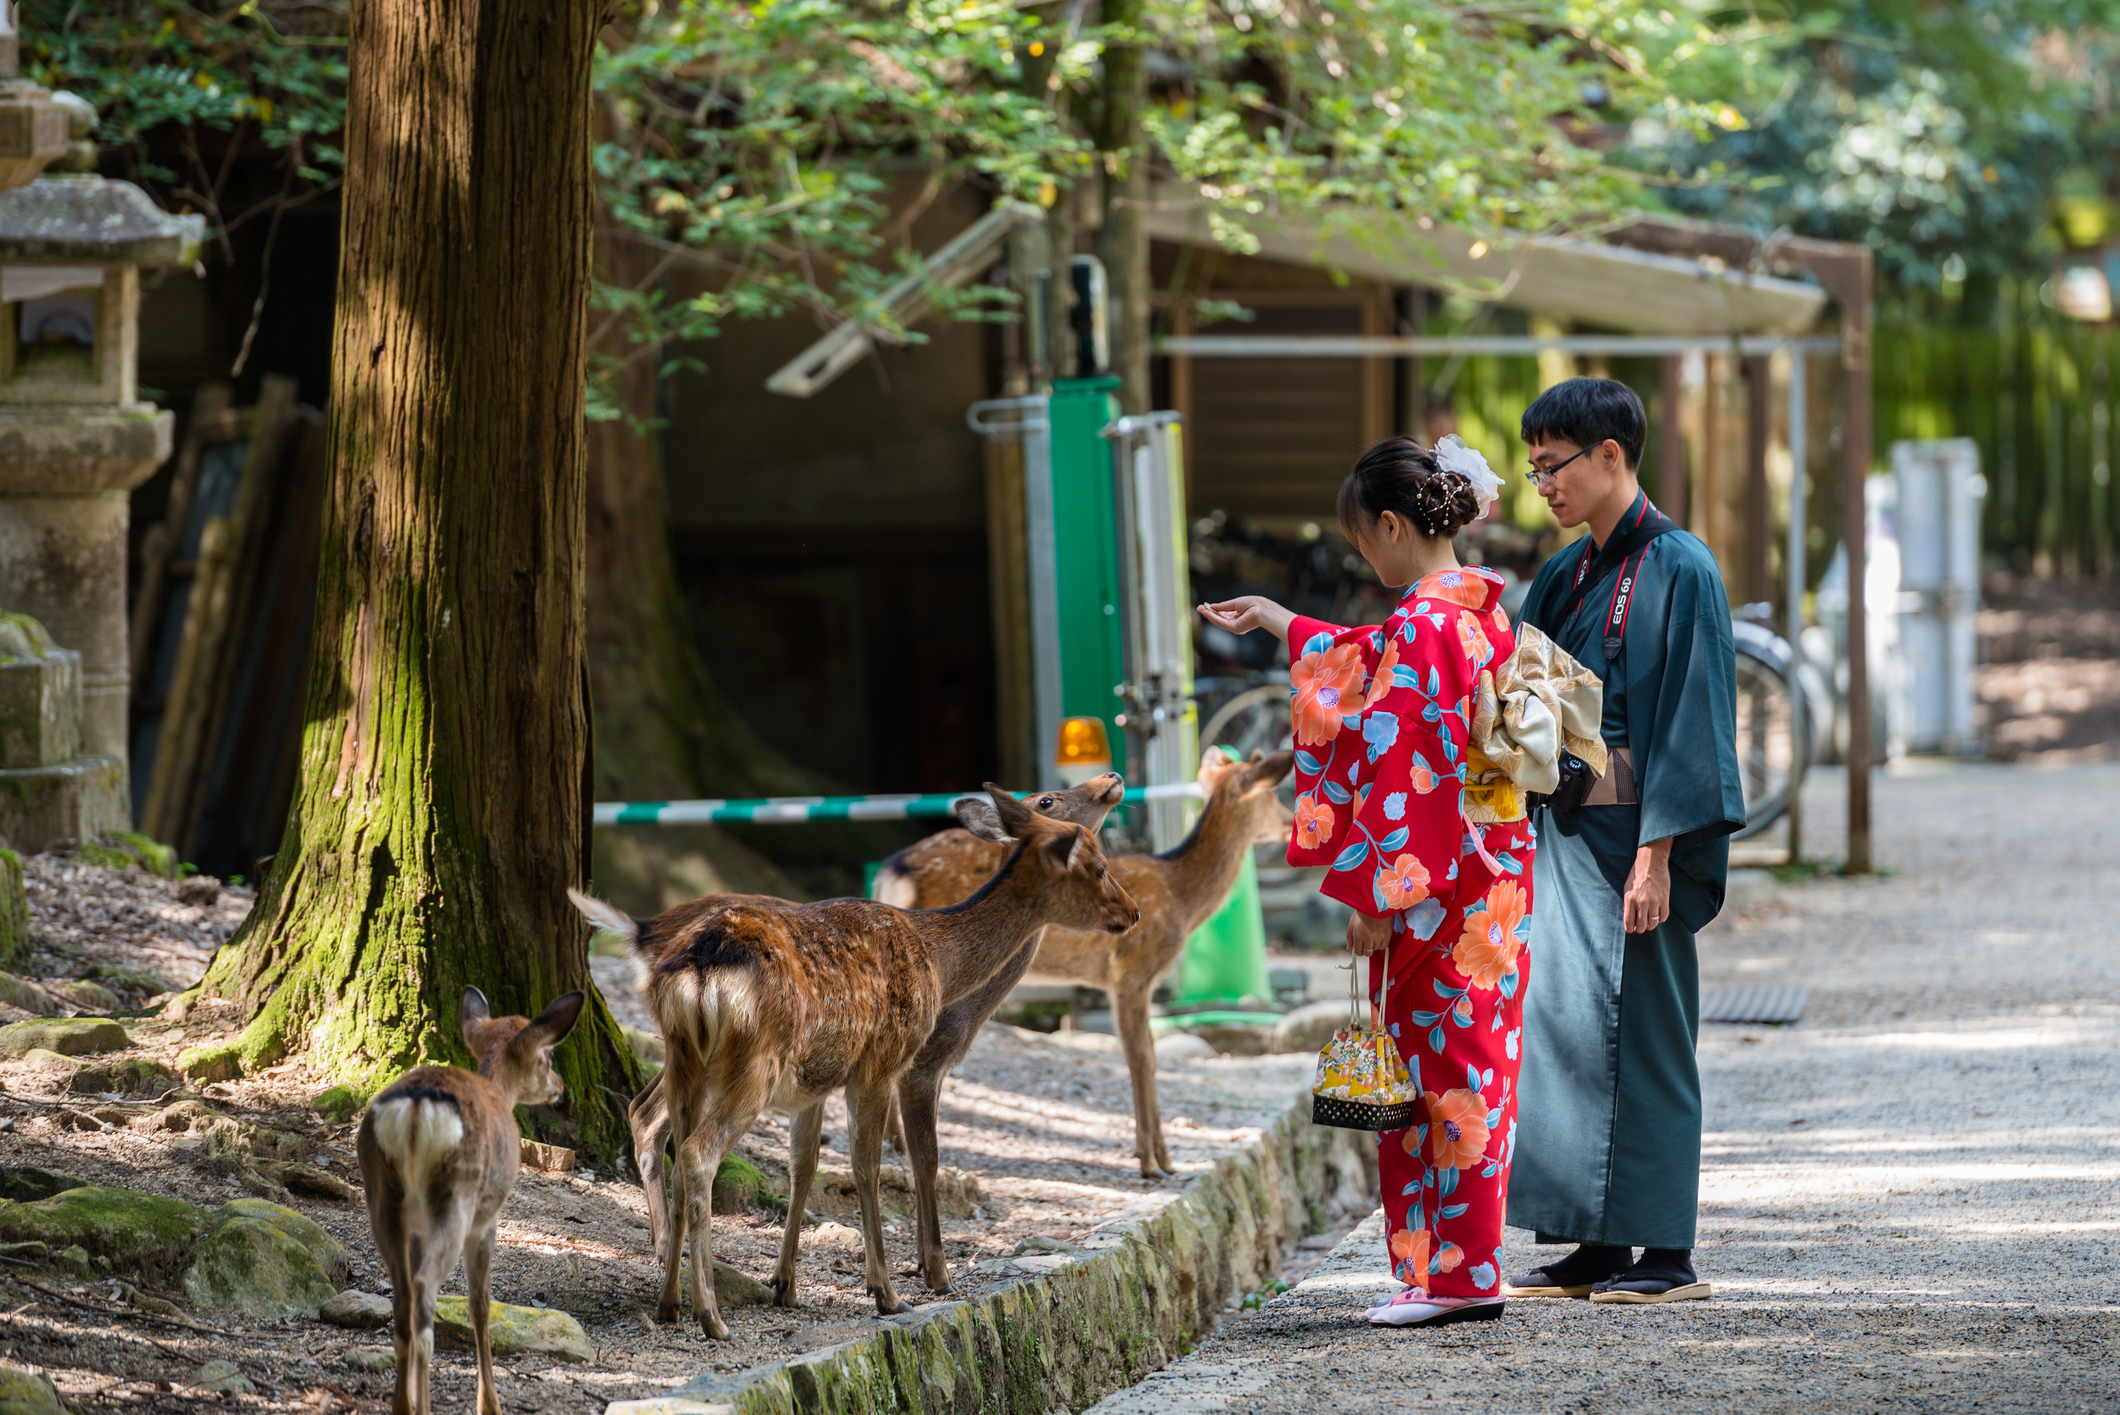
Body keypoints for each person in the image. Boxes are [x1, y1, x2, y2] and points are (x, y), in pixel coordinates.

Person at [1199, 435, 1535, 1330]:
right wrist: (1277, 617)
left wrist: (1381, 902)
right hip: (1490, 872)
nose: (1364, 557)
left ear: (1393, 525)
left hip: (1439, 886)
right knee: (1468, 1068)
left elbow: (1404, 765)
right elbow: (1360, 655)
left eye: (1362, 543)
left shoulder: (1426, 627)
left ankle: (1460, 1278)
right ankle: (1448, 1270)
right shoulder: (1476, 610)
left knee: (1444, 1076)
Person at [1502, 377, 1744, 1305]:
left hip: (1643, 839)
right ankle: (1593, 1248)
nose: (1545, 486)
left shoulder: (1683, 566)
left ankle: (1667, 1253)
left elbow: (1693, 720)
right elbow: (1521, 705)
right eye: (1533, 472)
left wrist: (1659, 856)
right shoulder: (1563, 575)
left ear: (1611, 455)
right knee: (1564, 1031)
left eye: (1554, 465)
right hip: (1566, 834)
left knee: (1646, 1035)